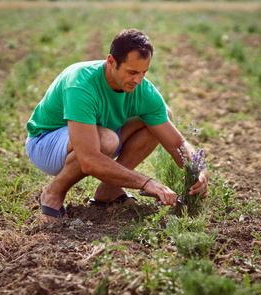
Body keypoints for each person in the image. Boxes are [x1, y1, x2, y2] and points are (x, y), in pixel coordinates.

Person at [25, 29, 209, 223]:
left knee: (161, 117)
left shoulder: (142, 89)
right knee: (106, 140)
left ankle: (108, 190)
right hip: (45, 143)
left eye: (143, 72)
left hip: (92, 137)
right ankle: (53, 194)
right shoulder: (81, 82)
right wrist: (146, 183)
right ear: (111, 61)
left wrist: (199, 171)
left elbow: (176, 143)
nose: (138, 80)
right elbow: (88, 159)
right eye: (132, 72)